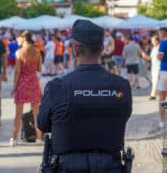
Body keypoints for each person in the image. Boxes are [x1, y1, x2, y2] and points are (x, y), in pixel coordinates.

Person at [37, 20, 132, 172]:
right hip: (110, 166)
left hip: (66, 167)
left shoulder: (57, 87)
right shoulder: (121, 86)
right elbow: (124, 115)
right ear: (101, 48)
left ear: (75, 48)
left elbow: (42, 124)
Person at [10, 31, 43, 146]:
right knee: (36, 113)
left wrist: (14, 86)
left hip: (22, 83)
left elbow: (17, 71)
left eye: (18, 38)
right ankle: (39, 139)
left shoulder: (19, 52)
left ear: (24, 38)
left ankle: (13, 139)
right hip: (34, 82)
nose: (17, 40)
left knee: (18, 113)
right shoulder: (37, 52)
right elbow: (39, 68)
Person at [149, 35, 161, 100]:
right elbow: (151, 58)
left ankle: (153, 95)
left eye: (153, 41)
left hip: (158, 67)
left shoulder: (160, 48)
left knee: (155, 81)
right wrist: (145, 56)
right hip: (154, 67)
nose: (152, 42)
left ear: (157, 41)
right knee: (154, 81)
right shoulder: (154, 48)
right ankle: (158, 93)